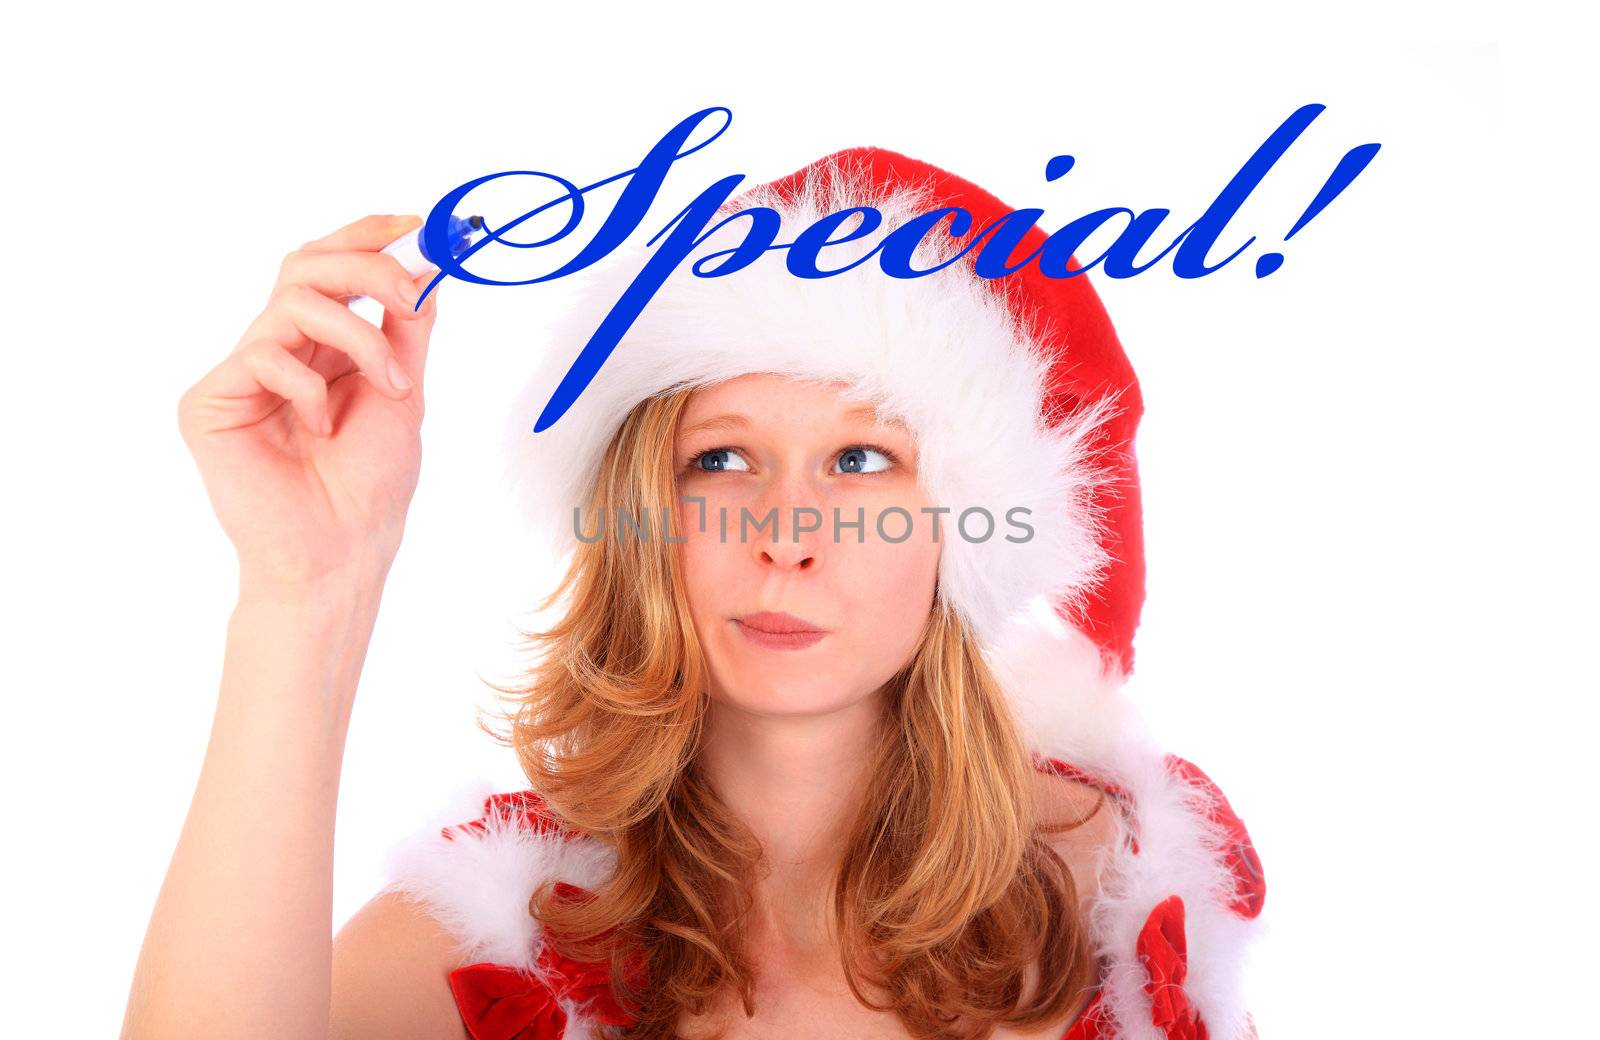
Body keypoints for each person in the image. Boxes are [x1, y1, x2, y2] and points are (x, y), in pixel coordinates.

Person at [123, 149, 1265, 1040]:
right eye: (720, 458)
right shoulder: (498, 930)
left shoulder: (1126, 899)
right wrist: (304, 587)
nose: (784, 537)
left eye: (863, 460)